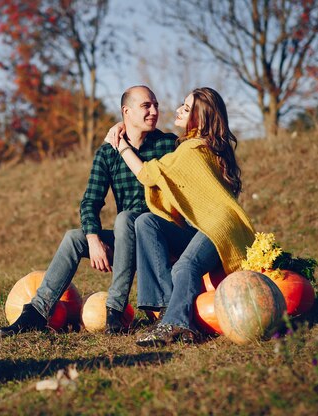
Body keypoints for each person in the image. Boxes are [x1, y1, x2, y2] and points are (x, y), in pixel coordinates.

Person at [0, 85, 177, 337]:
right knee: (75, 238)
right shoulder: (108, 153)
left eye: (156, 105)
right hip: (127, 241)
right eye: (146, 106)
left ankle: (114, 310)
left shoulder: (169, 145)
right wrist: (93, 239)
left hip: (160, 241)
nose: (154, 111)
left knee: (126, 218)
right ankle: (37, 312)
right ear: (126, 112)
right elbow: (90, 202)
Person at [104, 87, 256, 347]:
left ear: (198, 118)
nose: (178, 110)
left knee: (186, 266)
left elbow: (149, 175)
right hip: (203, 225)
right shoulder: (202, 147)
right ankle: (165, 309)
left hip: (220, 227)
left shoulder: (192, 150)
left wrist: (121, 146)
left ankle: (179, 324)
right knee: (146, 221)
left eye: (186, 109)